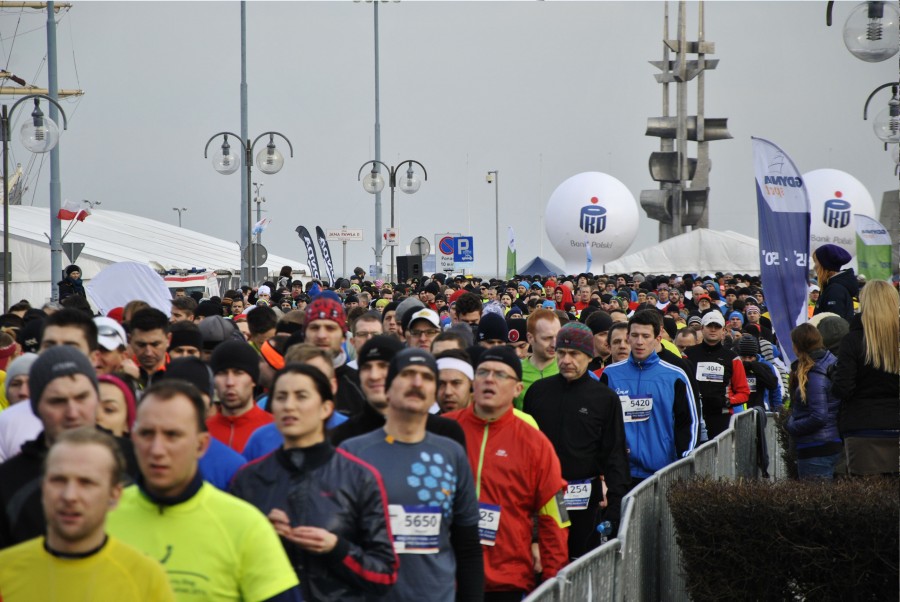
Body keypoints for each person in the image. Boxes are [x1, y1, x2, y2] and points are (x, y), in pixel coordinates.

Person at [106, 380, 301, 601]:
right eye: (147, 434)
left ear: (201, 445)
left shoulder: (246, 527)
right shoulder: (101, 520)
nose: (157, 449)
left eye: (172, 435)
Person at [231, 364, 398, 601]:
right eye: (281, 397)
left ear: (326, 408)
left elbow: (385, 573)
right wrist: (261, 537)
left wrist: (337, 549)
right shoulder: (248, 479)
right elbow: (227, 565)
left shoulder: (359, 477)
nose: (289, 405)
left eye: (301, 396)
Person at [341, 349, 483, 602]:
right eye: (407, 374)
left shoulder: (451, 454)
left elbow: (468, 545)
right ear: (387, 389)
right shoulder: (352, 453)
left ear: (434, 394)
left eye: (427, 377)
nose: (417, 383)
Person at [445, 346, 569, 598]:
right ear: (472, 383)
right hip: (446, 578)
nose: (490, 379)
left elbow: (555, 517)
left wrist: (552, 582)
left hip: (506, 582)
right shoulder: (445, 430)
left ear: (517, 389)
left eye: (501, 375)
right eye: (483, 372)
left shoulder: (535, 443)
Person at [0, 428, 175, 601]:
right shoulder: (5, 571)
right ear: (43, 487)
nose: (70, 496)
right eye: (58, 480)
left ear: (115, 495)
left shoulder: (146, 578)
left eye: (86, 483)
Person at [0, 346, 138, 549]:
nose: (72, 412)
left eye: (82, 397)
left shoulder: (135, 461)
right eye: (57, 401)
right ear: (36, 407)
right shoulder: (8, 481)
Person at [524, 323, 629, 558]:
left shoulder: (604, 398)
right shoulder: (538, 392)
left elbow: (615, 455)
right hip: (543, 498)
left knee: (579, 563)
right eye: (561, 353)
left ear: (588, 356)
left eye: (574, 354)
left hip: (585, 501)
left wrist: (615, 507)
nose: (566, 360)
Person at [601, 311, 698, 486]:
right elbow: (601, 422)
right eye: (635, 335)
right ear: (628, 337)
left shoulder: (675, 375)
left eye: (646, 336)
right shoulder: (610, 374)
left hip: (661, 472)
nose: (639, 342)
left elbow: (689, 422)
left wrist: (684, 460)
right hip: (620, 472)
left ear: (658, 338)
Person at [330, 336, 466, 447]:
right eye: (366, 367)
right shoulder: (343, 438)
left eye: (384, 366)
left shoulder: (445, 432)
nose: (374, 375)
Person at [832, 280, 899, 476]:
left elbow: (842, 388)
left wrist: (834, 375)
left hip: (862, 428)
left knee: (865, 499)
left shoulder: (853, 341)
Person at [786, 324, 842, 480]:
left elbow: (819, 416)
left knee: (817, 504)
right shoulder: (825, 364)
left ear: (797, 345)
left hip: (817, 448)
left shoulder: (815, 373)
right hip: (823, 444)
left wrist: (791, 425)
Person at [683, 311, 750, 438]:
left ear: (724, 331)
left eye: (717, 326)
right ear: (702, 329)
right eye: (709, 326)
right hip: (693, 414)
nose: (713, 330)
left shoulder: (732, 358)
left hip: (721, 416)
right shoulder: (688, 355)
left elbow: (744, 392)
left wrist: (727, 401)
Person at [207, 339, 273, 453]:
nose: (230, 382)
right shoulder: (201, 434)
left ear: (253, 380)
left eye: (238, 373)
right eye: (222, 373)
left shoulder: (276, 431)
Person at [305, 295, 367, 417]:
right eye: (314, 327)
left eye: (330, 328)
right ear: (304, 334)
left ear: (344, 337)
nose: (322, 335)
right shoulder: (287, 380)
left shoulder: (359, 384)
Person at [515, 309, 561, 409]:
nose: (554, 344)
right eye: (546, 338)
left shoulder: (568, 369)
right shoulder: (516, 373)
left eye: (557, 337)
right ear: (530, 338)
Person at [812, 244, 857, 321]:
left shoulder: (835, 291)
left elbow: (833, 328)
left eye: (816, 262)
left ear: (825, 265)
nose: (814, 267)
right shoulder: (832, 287)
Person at [128, 308, 171, 387]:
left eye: (155, 344)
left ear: (168, 339)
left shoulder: (183, 375)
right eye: (141, 345)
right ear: (130, 340)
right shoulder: (120, 376)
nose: (148, 352)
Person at [436, 349, 475, 414]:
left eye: (456, 383)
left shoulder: (488, 421)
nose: (448, 392)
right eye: (441, 384)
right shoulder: (424, 423)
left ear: (471, 384)